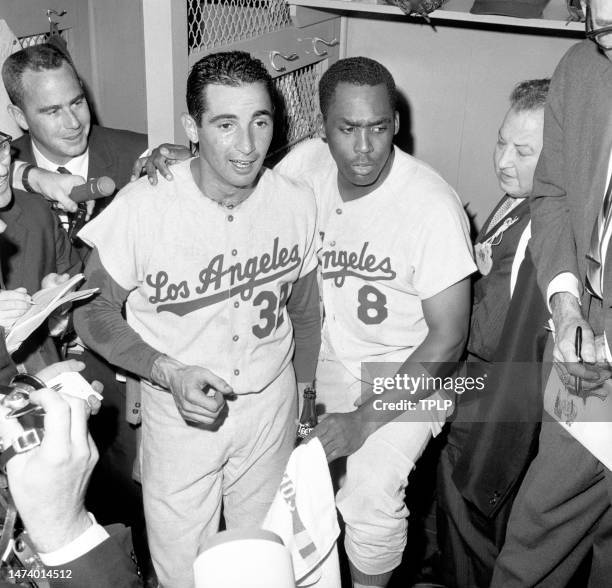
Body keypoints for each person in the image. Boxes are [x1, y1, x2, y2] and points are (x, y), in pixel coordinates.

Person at [135, 56, 475, 588]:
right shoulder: (306, 163)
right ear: (321, 127)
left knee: (368, 489)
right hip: (323, 354)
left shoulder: (432, 206)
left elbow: (449, 339)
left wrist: (362, 420)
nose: (364, 147)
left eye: (378, 128)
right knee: (283, 483)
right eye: (347, 129)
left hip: (407, 368)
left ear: (396, 123)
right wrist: (190, 158)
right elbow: (248, 184)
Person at [73, 50, 320, 587]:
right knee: (184, 570)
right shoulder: (144, 206)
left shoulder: (296, 200)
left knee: (266, 562)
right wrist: (162, 370)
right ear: (192, 127)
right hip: (180, 413)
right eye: (225, 124)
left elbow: (302, 307)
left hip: (269, 409)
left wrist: (306, 395)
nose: (248, 145)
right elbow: (91, 312)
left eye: (261, 121)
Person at [1, 43, 148, 533]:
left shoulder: (138, 155)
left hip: (124, 366)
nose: (72, 123)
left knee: (134, 495)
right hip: (34, 380)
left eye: (77, 101)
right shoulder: (6, 166)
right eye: (50, 110)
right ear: (18, 116)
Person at [490, 1, 612, 585]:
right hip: (591, 344)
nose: (605, 42)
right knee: (540, 527)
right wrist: (566, 307)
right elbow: (555, 192)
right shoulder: (581, 66)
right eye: (601, 24)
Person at [436, 79, 550, 588]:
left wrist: (460, 284)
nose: (504, 160)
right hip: (471, 386)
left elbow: (487, 331)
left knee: (471, 525)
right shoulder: (516, 198)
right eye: (502, 141)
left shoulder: (538, 224)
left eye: (523, 151)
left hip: (484, 396)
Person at [0, 129, 81, 374]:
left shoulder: (36, 212)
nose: (3, 169)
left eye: (1, 148)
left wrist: (57, 312)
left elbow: (85, 301)